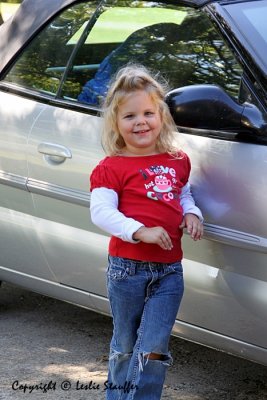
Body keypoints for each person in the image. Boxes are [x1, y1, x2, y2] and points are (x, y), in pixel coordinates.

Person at [89, 64, 203, 400]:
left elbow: (182, 193)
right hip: (127, 270)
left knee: (154, 347)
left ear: (162, 117)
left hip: (169, 271)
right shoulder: (111, 167)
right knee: (126, 344)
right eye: (130, 116)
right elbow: (101, 212)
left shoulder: (177, 159)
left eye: (148, 113)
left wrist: (191, 213)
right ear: (116, 124)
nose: (141, 121)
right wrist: (140, 231)